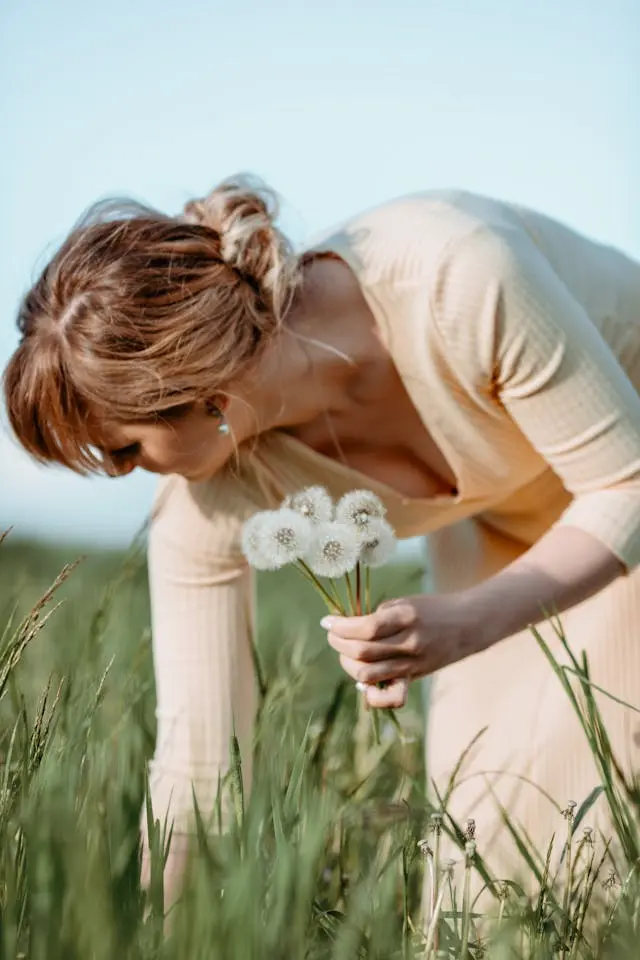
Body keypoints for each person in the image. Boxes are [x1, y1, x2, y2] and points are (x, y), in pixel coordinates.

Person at [4, 176, 640, 907]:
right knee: (481, 901)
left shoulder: (462, 279)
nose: (128, 475)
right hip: (504, 538)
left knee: (599, 860)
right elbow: (199, 768)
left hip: (627, 477)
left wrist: (467, 622)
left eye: (124, 450)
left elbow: (627, 485)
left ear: (202, 393)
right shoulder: (207, 499)